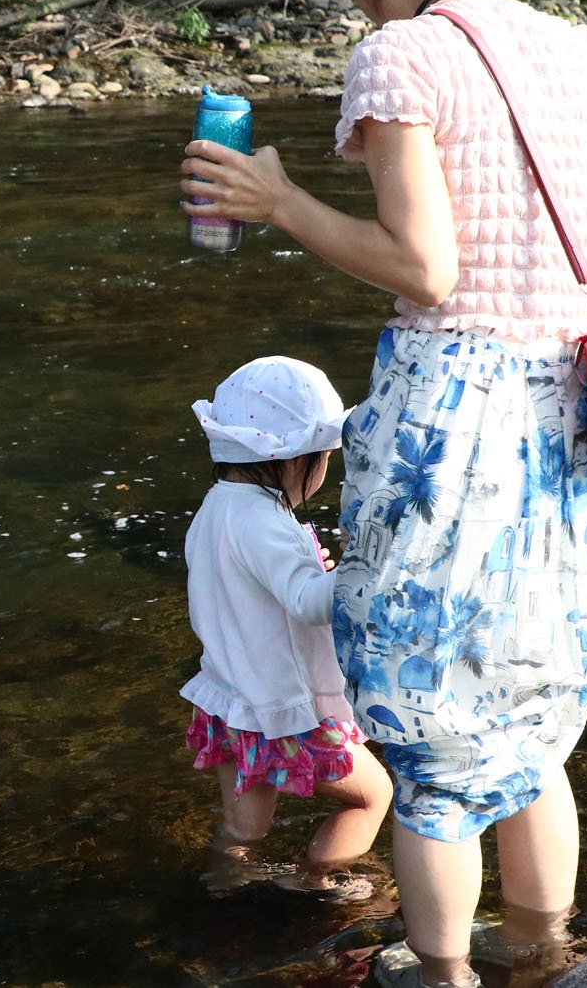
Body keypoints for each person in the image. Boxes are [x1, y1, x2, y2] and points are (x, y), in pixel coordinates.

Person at [176, 0, 587, 985]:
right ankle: (541, 950)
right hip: (571, 431)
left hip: (454, 440)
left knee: (432, 748)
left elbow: (426, 270)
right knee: (533, 729)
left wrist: (277, 203)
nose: (359, 13)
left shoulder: (403, 54)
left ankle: (439, 974)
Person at [180, 357, 392, 904]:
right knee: (370, 797)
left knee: (243, 832)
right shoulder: (264, 523)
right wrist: (361, 565)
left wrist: (308, 567)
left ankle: (223, 899)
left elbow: (243, 586)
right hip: (283, 710)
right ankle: (317, 885)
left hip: (231, 703)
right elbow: (308, 604)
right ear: (296, 460)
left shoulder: (216, 509)